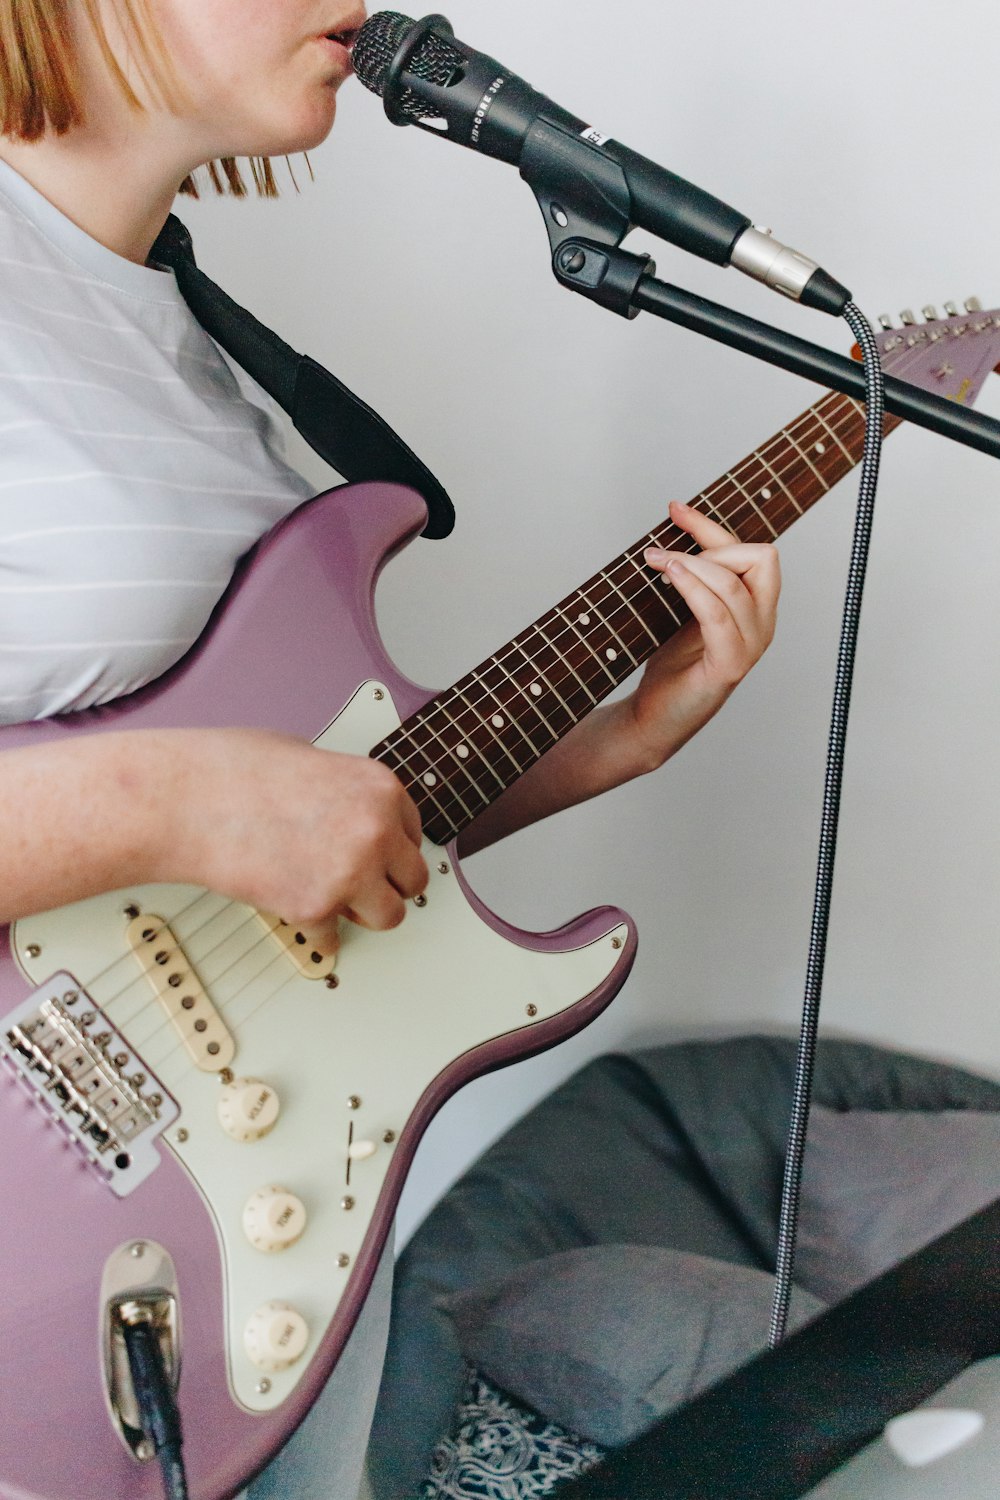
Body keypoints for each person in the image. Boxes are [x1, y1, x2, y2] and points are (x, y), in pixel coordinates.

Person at [0, 1, 781, 1495]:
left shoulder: (212, 371)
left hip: (247, 1260)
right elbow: (197, 806)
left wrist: (616, 743)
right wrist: (167, 797)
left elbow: (296, 827)